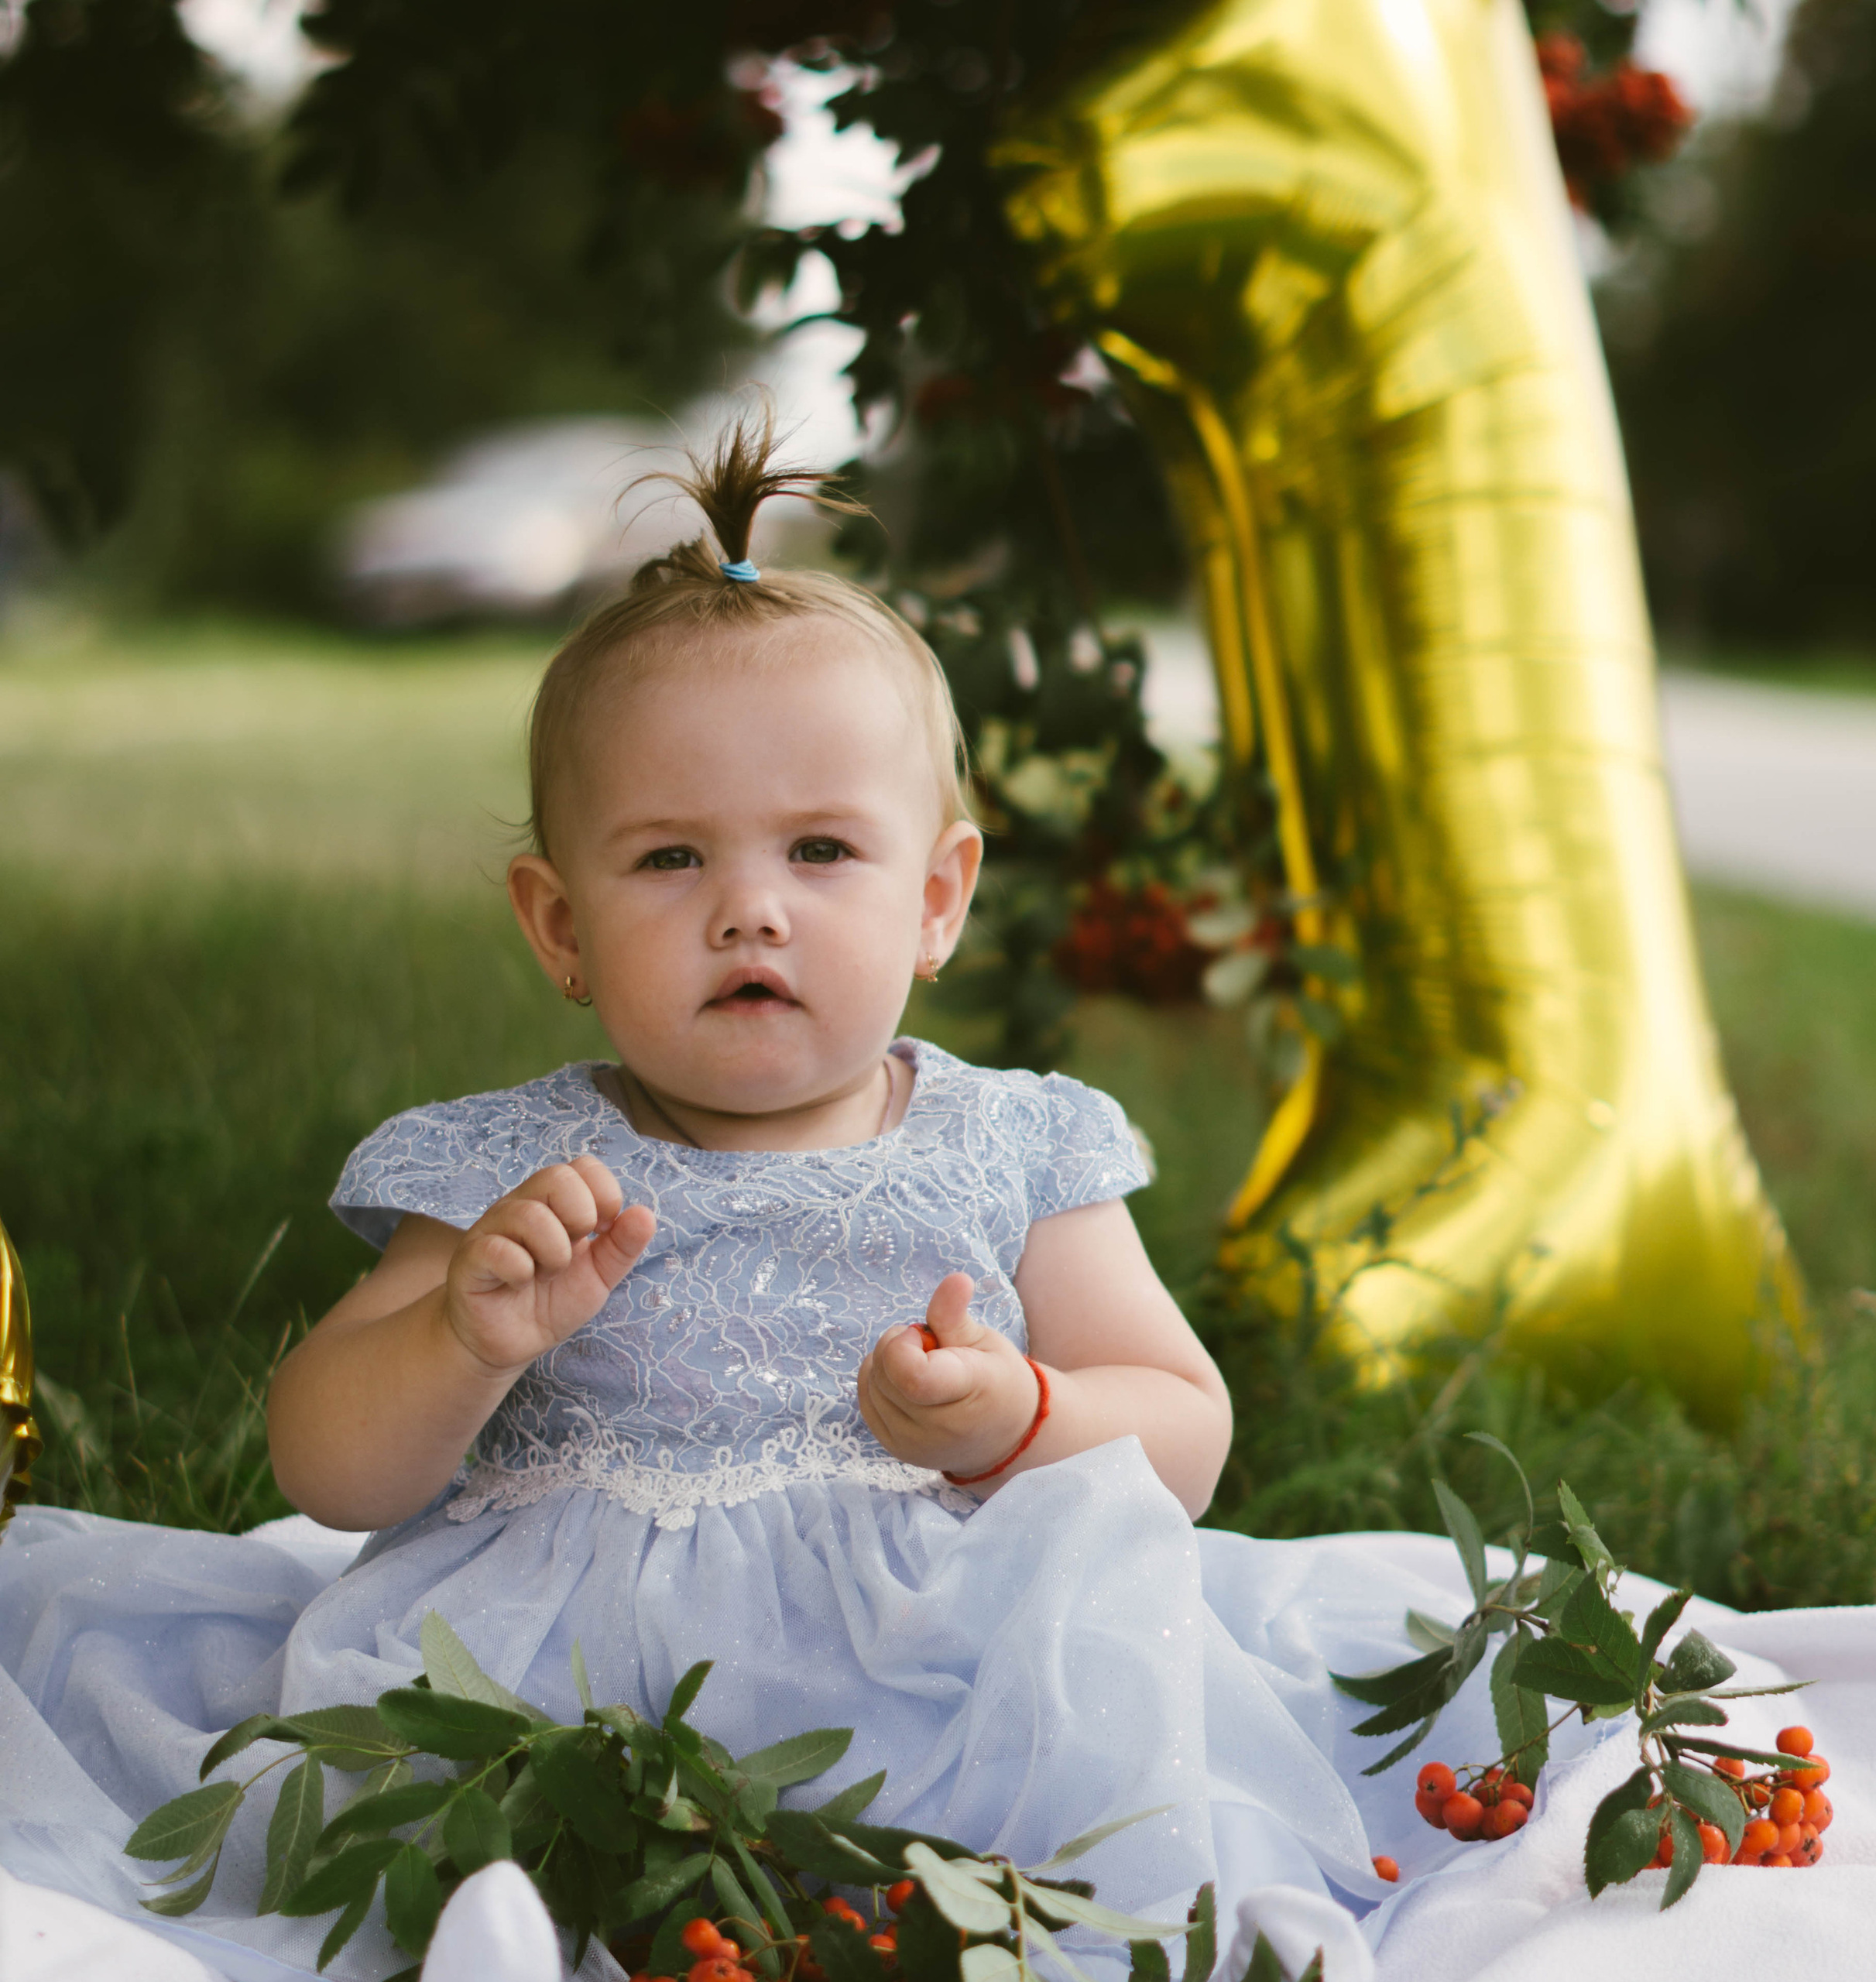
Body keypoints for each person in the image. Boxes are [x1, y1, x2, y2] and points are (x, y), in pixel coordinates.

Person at [0, 412, 1607, 1980]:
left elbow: (1182, 1428)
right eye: (667, 860)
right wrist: (460, 1332)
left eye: (821, 850)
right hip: (557, 1711)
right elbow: (329, 1465)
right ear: (556, 925)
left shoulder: (1014, 1140)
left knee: (1042, 1874)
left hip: (948, 1672)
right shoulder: (504, 1173)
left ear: (935, 897)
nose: (748, 910)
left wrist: (1016, 1411)